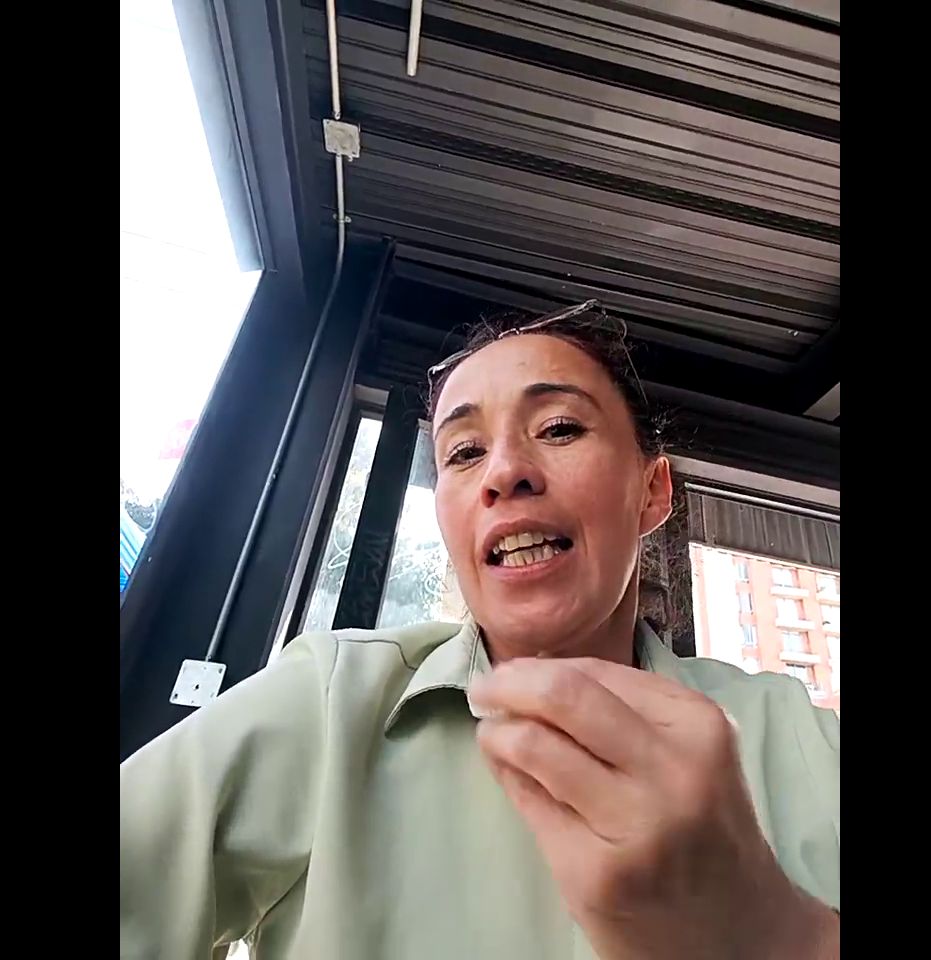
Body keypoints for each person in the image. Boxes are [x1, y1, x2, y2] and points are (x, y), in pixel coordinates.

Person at [120, 300, 840, 959]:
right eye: (463, 452)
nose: (504, 472)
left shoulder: (803, 738)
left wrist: (778, 935)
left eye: (559, 428)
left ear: (651, 491)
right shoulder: (332, 697)